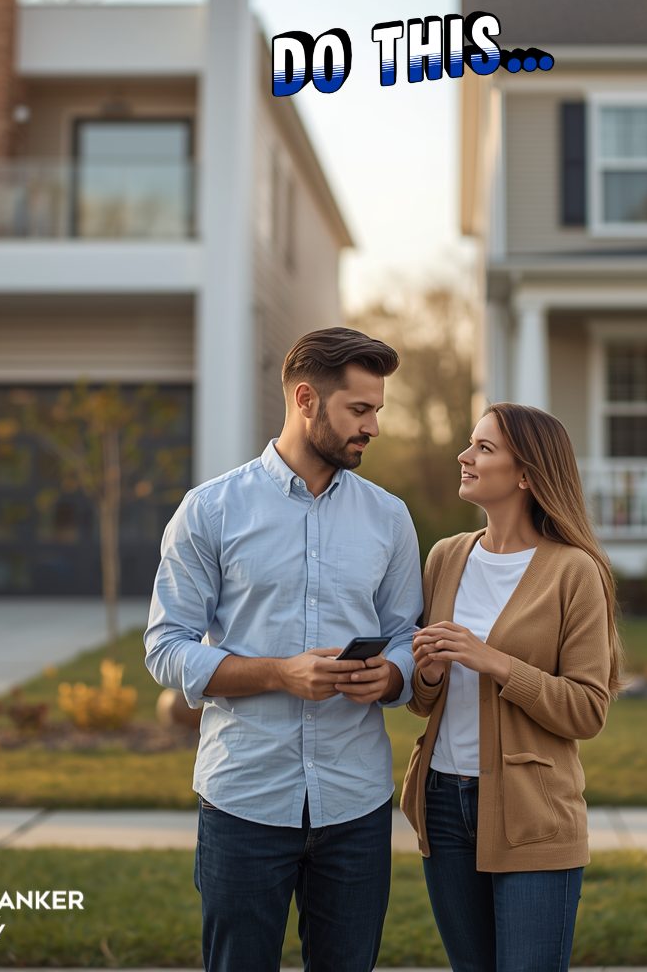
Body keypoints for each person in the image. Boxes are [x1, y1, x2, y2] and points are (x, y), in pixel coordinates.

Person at [145, 327, 423, 972]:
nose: (374, 426)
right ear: (306, 399)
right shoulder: (209, 511)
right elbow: (166, 647)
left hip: (355, 804)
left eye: (377, 409)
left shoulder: (390, 518)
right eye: (360, 409)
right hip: (245, 799)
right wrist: (278, 673)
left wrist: (387, 678)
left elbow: (407, 636)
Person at [399, 402, 625, 972]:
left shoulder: (574, 571)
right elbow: (424, 702)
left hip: (533, 811)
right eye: (471, 444)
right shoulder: (446, 556)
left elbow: (588, 710)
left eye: (484, 448)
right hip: (445, 803)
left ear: (525, 474)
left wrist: (495, 662)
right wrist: (427, 672)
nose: (464, 456)